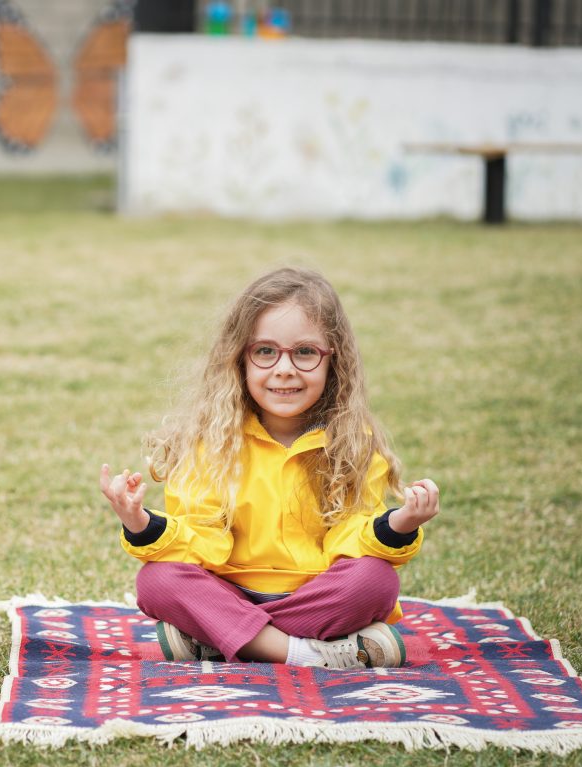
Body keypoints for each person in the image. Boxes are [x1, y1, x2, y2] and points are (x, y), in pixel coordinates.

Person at [99, 267, 439, 670]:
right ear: (238, 359)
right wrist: (140, 523)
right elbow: (200, 541)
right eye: (265, 351)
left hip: (315, 594)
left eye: (305, 352)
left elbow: (350, 537)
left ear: (335, 361)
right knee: (157, 582)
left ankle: (217, 638)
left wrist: (399, 523)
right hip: (227, 589)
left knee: (376, 581)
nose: (284, 369)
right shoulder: (209, 441)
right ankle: (303, 653)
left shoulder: (354, 442)